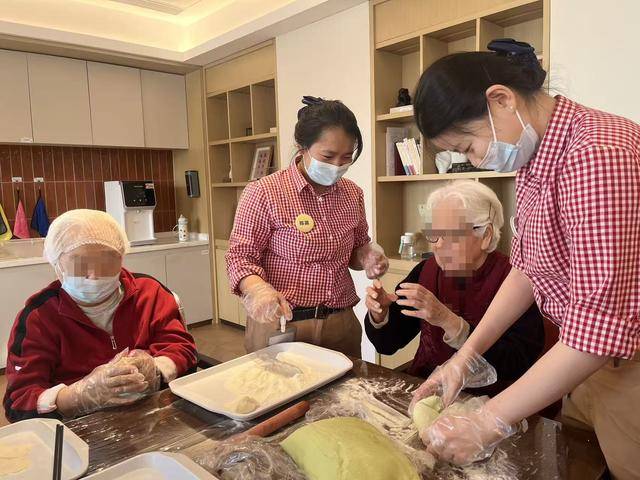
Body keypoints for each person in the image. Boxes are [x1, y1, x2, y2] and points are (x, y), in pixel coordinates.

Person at [408, 38, 640, 479]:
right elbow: (528, 270)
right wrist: (466, 355)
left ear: (502, 100)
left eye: (469, 146)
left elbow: (599, 326)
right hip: (584, 363)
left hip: (625, 364)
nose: (476, 160)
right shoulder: (537, 161)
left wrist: (487, 421)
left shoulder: (595, 155)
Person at [226, 96, 388, 357]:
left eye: (346, 157)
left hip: (340, 322)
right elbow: (240, 257)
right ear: (302, 147)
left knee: (347, 384)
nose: (337, 166)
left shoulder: (352, 194)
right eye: (328, 156)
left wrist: (369, 257)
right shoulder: (264, 192)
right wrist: (257, 289)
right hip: (283, 322)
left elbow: (357, 249)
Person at [4, 209, 197, 422]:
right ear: (57, 263)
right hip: (78, 430)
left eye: (106, 260)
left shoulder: (150, 294)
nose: (94, 275)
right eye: (79, 262)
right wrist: (78, 396)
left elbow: (184, 350)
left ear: (121, 257)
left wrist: (157, 369)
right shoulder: (38, 318)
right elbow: (19, 402)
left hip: (154, 416)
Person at [365, 180, 543, 396]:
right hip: (427, 391)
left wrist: (448, 321)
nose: (438, 244)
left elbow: (519, 362)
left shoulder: (515, 280)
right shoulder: (426, 271)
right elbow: (387, 345)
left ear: (485, 235)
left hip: (489, 400)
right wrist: (380, 315)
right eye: (434, 233)